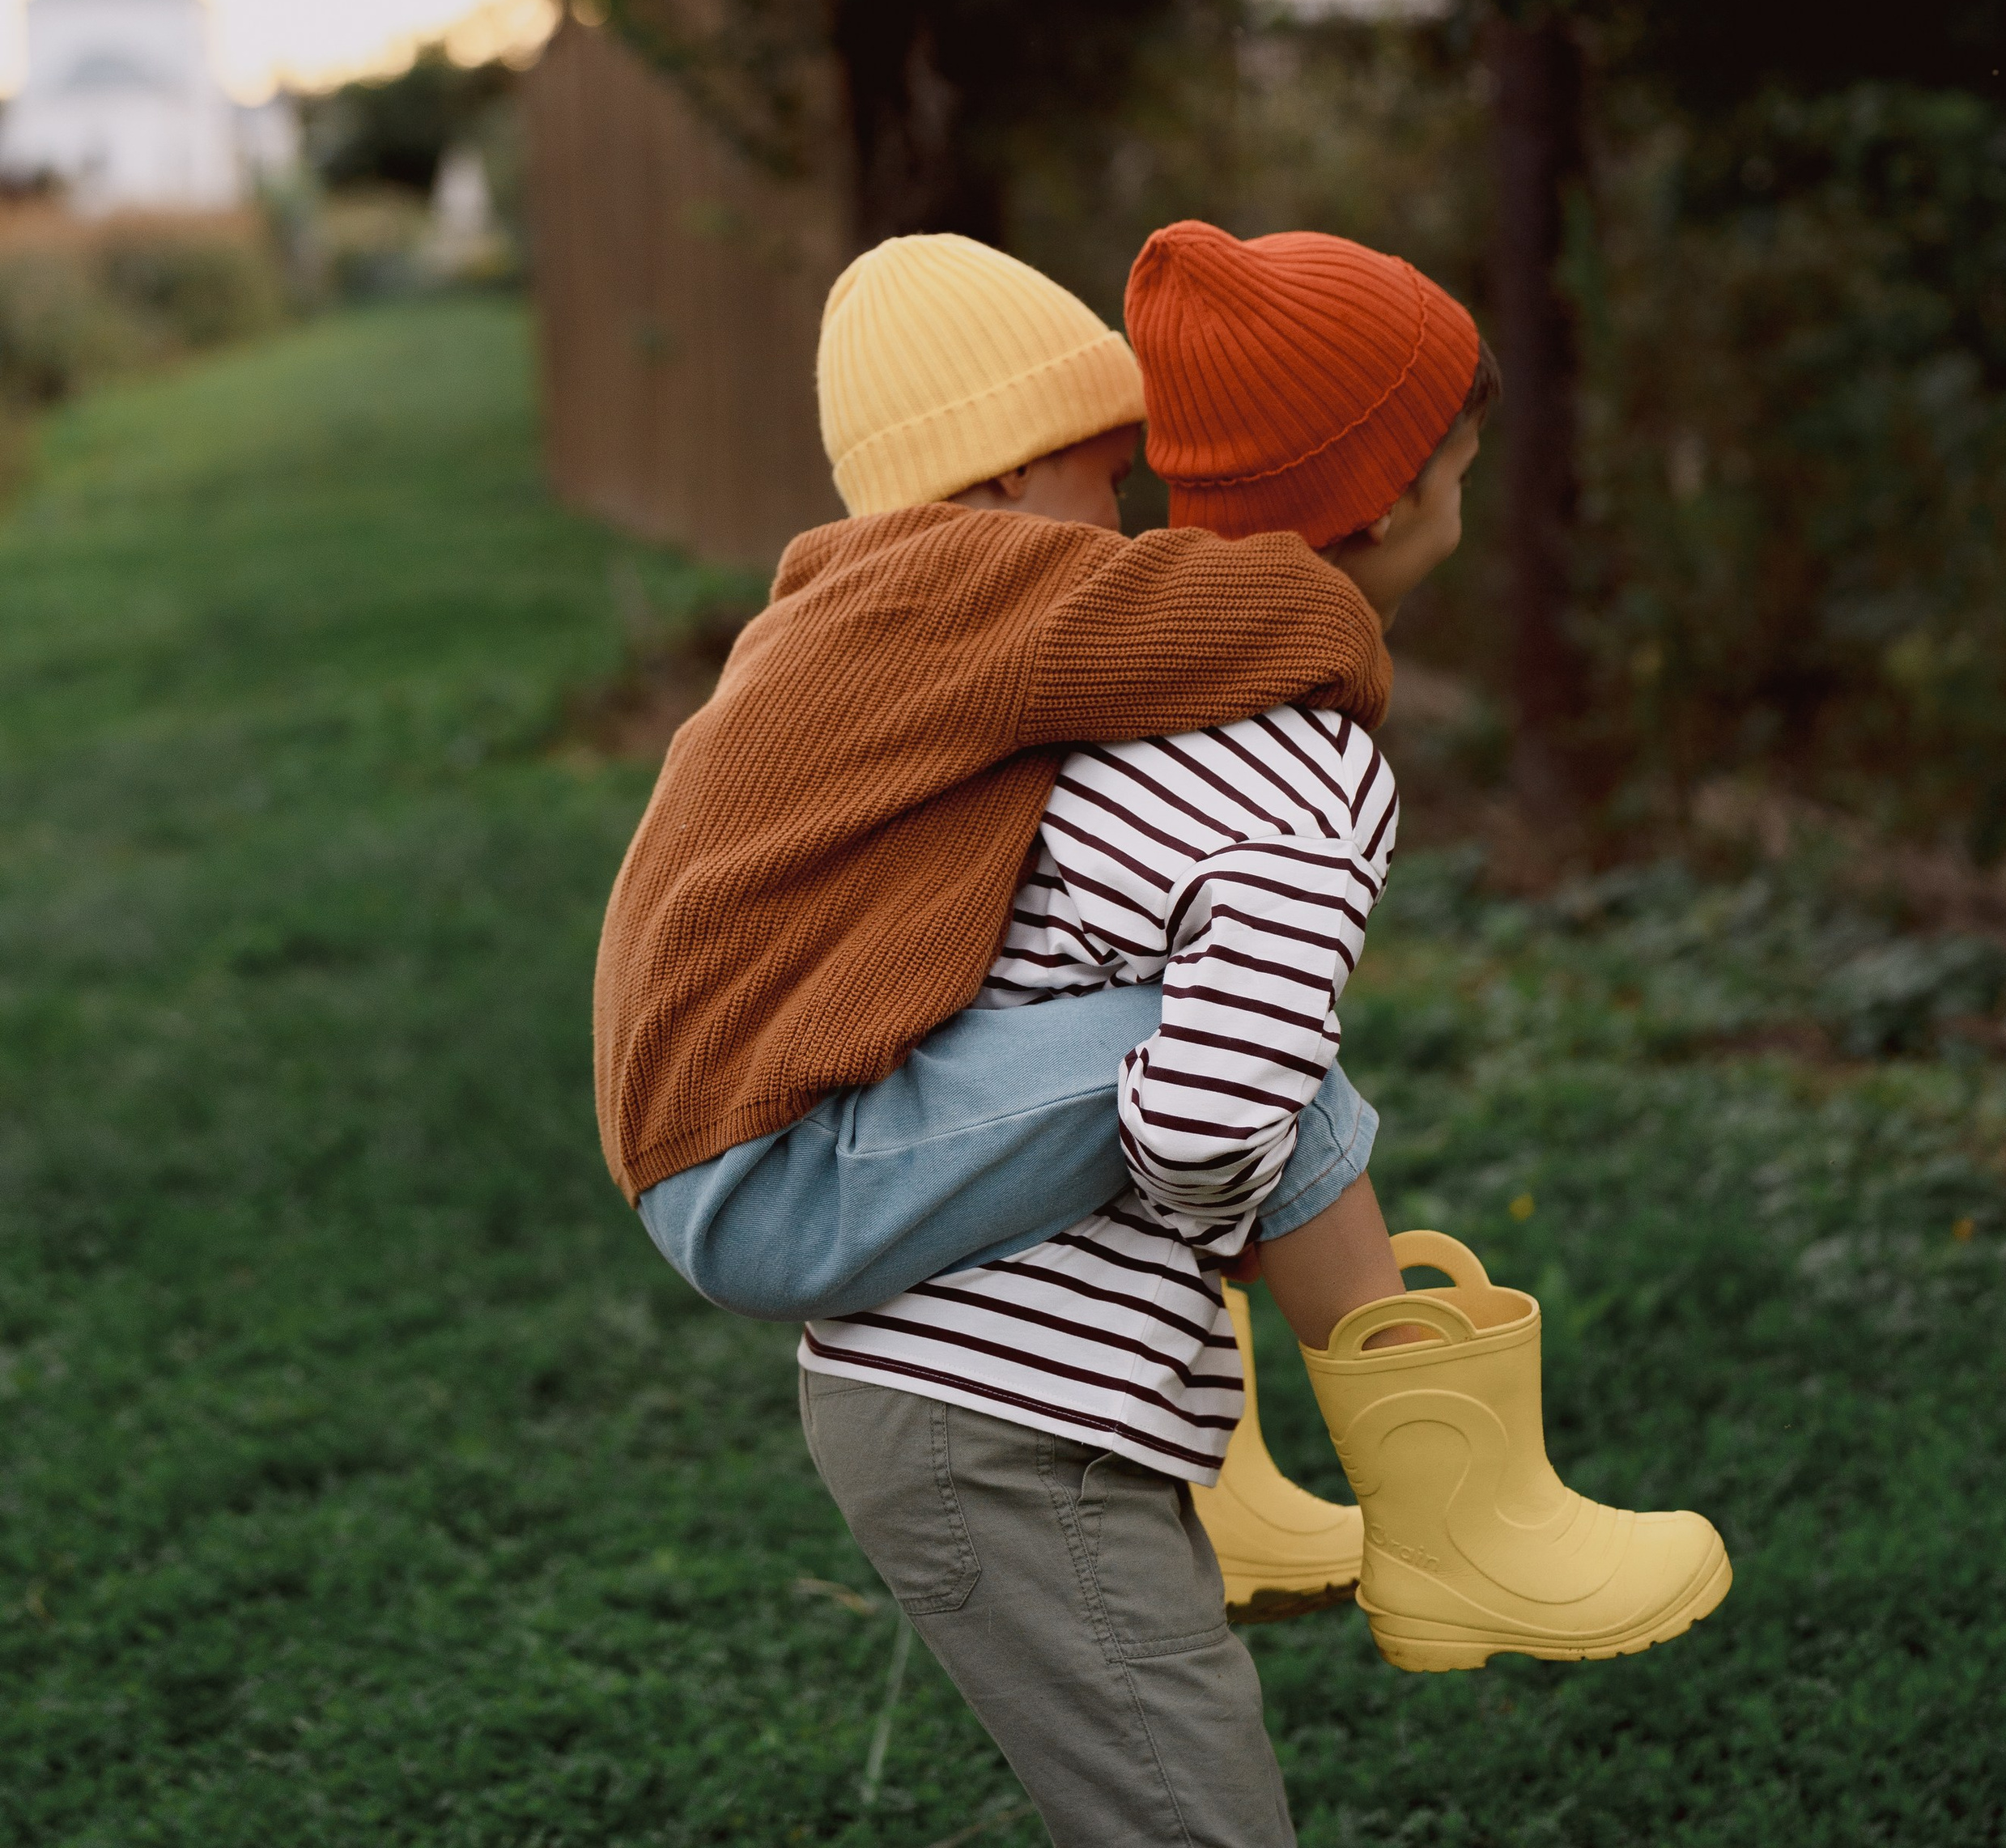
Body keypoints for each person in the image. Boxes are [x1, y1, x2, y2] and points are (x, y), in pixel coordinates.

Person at [597, 227, 1726, 1847]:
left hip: (748, 1133)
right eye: (1099, 478)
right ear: (990, 490)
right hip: (771, 1159)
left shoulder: (869, 609)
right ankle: (1449, 1514)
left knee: (1219, 1058)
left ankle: (1245, 1475)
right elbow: (1233, 609)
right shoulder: (967, 595)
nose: (1122, 526)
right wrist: (1334, 622)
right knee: (1265, 1074)